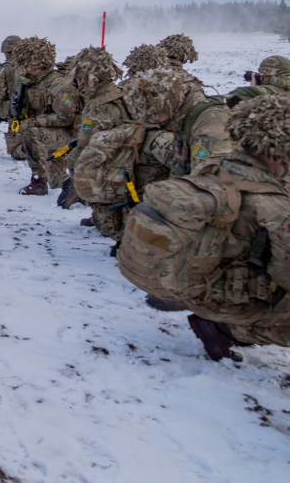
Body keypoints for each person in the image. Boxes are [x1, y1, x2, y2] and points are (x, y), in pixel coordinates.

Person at [137, 96, 290, 361]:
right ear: (279, 149)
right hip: (222, 298)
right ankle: (228, 328)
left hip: (194, 287)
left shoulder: (211, 167)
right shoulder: (273, 204)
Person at [123, 67, 232, 178]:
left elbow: (215, 181)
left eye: (153, 114)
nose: (151, 121)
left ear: (169, 105)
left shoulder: (210, 124)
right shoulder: (182, 113)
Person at [65, 47, 129, 224]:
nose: (79, 83)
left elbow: (88, 145)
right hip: (119, 164)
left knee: (77, 158)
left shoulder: (102, 106)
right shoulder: (116, 94)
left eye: (80, 78)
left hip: (114, 167)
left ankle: (106, 217)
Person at [13, 37, 80, 195]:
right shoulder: (32, 83)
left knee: (32, 134)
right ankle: (65, 186)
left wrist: (33, 122)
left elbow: (65, 118)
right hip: (54, 132)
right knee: (57, 184)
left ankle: (38, 182)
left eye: (27, 64)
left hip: (70, 135)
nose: (25, 68)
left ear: (37, 63)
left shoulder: (59, 86)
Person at [0, 35, 26, 160]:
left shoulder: (5, 69)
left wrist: (3, 114)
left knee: (16, 152)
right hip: (37, 114)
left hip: (15, 114)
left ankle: (32, 150)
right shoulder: (33, 67)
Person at [224, 54, 290, 108]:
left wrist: (253, 88)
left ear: (267, 75)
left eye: (261, 74)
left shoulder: (266, 91)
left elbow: (231, 98)